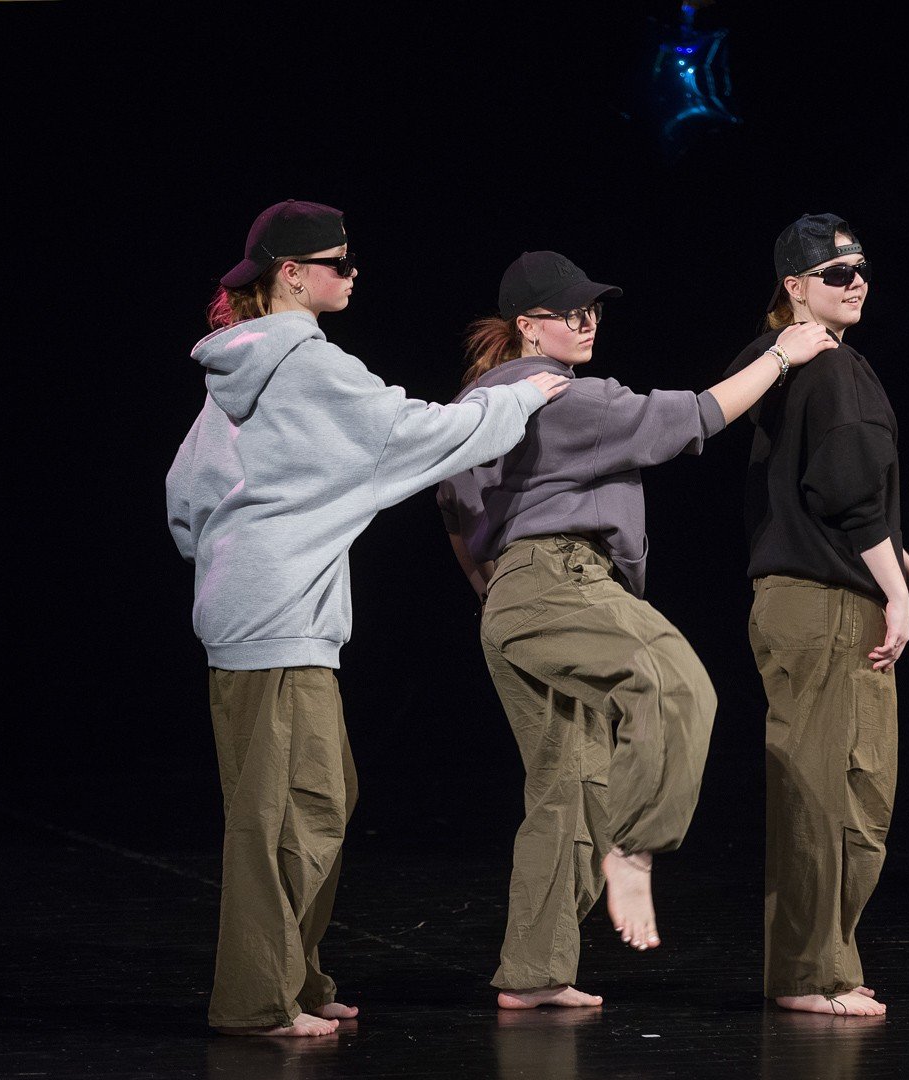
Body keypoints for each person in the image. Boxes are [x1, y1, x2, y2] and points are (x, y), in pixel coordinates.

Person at [166, 201, 568, 1037]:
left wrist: (226, 558)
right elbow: (414, 434)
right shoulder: (304, 361)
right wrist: (520, 399)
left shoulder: (241, 368)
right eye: (339, 263)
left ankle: (295, 978)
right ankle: (256, 1001)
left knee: (319, 799)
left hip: (268, 611)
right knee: (277, 814)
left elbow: (185, 492)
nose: (353, 274)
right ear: (292, 275)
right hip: (273, 617)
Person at [438, 250, 837, 1010]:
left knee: (567, 786)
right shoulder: (560, 394)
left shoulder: (479, 402)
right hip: (563, 577)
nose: (588, 322)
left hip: (514, 600)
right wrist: (782, 356)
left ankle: (534, 970)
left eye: (593, 310)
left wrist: (494, 592)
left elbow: (455, 510)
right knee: (677, 685)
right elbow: (694, 417)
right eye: (570, 313)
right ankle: (635, 848)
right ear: (528, 328)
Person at [727, 213, 909, 1017]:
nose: (856, 281)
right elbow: (846, 496)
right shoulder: (829, 369)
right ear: (795, 287)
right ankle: (809, 972)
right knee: (830, 796)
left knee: (850, 793)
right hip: (824, 604)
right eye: (836, 273)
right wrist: (894, 592)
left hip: (815, 597)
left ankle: (822, 962)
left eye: (860, 268)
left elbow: (845, 499)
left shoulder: (784, 365)